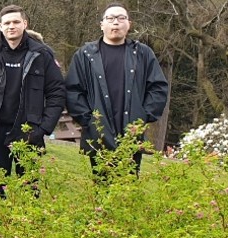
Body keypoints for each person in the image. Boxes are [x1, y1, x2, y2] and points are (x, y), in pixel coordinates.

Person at [0, 4, 66, 197]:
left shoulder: (42, 55)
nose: (11, 26)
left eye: (15, 22)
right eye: (7, 23)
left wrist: (43, 128)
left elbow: (57, 94)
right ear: (0, 26)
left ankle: (27, 227)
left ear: (25, 24)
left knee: (30, 193)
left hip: (29, 134)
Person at [64, 2, 170, 176]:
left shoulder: (143, 54)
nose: (116, 22)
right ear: (102, 24)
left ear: (129, 24)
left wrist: (143, 116)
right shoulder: (85, 55)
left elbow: (158, 88)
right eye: (110, 18)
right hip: (98, 133)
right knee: (102, 187)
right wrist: (89, 120)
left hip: (131, 133)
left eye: (121, 18)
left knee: (128, 188)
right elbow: (73, 91)